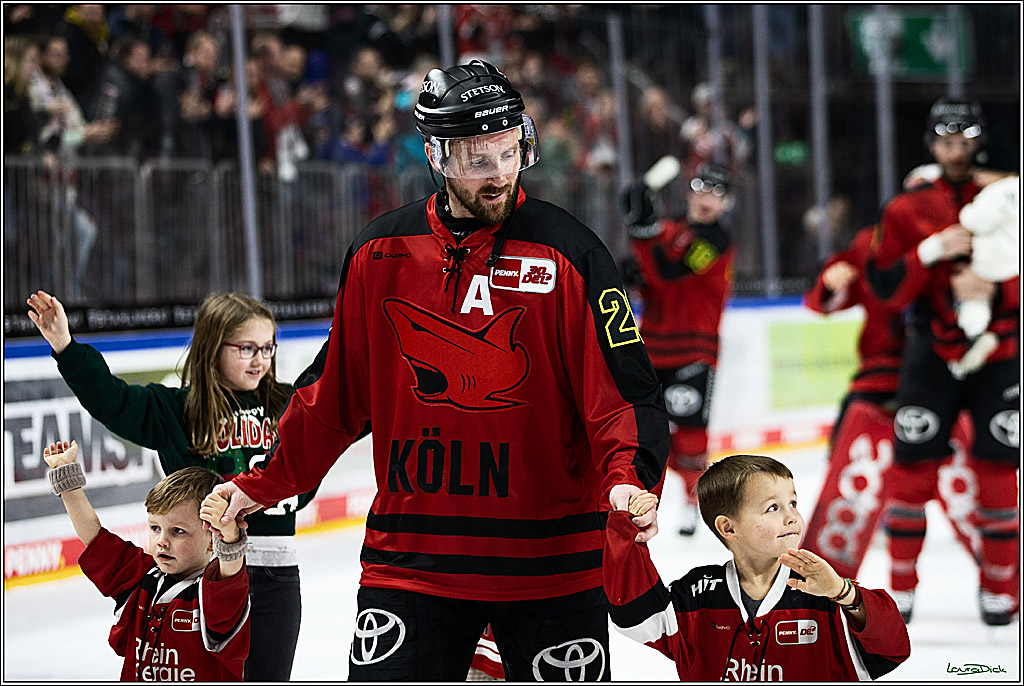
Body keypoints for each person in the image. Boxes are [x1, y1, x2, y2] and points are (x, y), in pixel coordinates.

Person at [211, 59, 669, 681]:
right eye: (480, 160)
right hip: (412, 561)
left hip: (551, 568)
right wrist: (261, 483)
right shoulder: (380, 253)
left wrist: (628, 476)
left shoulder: (572, 254)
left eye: (511, 153)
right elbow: (333, 394)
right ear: (438, 155)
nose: (501, 174)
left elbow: (625, 396)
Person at [26, 290, 312, 680]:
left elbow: (346, 417)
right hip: (198, 576)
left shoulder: (294, 406)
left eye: (268, 347)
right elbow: (114, 401)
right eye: (247, 348)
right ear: (213, 348)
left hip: (273, 578)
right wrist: (65, 345)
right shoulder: (177, 409)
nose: (261, 358)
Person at [867, 99, 1020, 625]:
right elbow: (884, 288)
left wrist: (996, 287)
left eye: (965, 141)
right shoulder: (906, 207)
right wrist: (927, 253)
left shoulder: (1008, 196)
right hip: (928, 353)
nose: (957, 152)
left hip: (1000, 351)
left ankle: (1001, 590)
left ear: (979, 141)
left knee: (1000, 467)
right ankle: (900, 591)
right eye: (946, 142)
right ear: (932, 144)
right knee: (910, 470)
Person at [604, 454, 911, 681]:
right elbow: (634, 617)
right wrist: (627, 531)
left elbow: (893, 648)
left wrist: (845, 593)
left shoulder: (823, 591)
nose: (792, 517)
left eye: (793, 503)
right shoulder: (697, 596)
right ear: (728, 527)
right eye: (773, 508)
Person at [800, 223, 981, 579]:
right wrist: (832, 280)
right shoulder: (873, 242)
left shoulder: (965, 237)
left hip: (943, 374)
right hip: (885, 373)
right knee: (849, 457)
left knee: (968, 474)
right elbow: (825, 295)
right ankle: (829, 572)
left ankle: (1003, 574)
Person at [43, 440, 250, 681]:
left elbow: (231, 569)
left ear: (213, 539)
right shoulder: (140, 576)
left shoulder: (216, 594)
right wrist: (68, 483)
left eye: (177, 531)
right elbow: (94, 536)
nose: (161, 541)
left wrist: (229, 532)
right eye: (155, 528)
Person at [619, 163, 735, 536]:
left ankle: (692, 500)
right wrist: (642, 233)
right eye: (701, 188)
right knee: (643, 428)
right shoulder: (669, 231)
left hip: (694, 350)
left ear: (727, 204)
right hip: (649, 346)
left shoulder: (717, 240)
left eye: (717, 193)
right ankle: (642, 499)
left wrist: (642, 234)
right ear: (688, 192)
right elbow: (640, 273)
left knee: (689, 430)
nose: (707, 199)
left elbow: (667, 273)